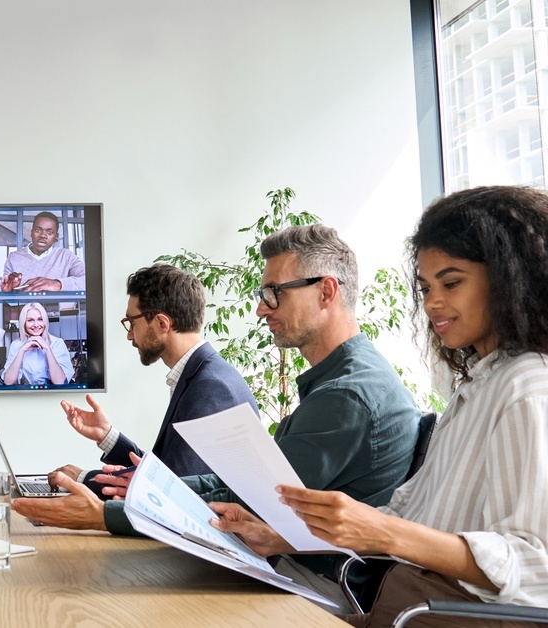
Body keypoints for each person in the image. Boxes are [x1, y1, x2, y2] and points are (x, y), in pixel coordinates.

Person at [212, 186, 548, 626]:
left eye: (451, 283)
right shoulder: (477, 386)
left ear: (509, 279)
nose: (432, 303)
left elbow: (534, 564)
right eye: (426, 287)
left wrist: (383, 531)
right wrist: (282, 539)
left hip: (447, 615)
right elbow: (405, 515)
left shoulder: (526, 387)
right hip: (406, 603)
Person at [14, 225, 420, 584]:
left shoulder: (346, 395)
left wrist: (107, 511)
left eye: (273, 294)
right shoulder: (339, 383)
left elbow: (251, 501)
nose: (261, 308)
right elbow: (241, 486)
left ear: (327, 291)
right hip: (291, 565)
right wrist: (135, 486)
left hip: (310, 580)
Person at [49, 264, 257, 490]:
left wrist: (81, 478)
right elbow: (166, 472)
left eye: (132, 323)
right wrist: (107, 435)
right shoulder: (202, 374)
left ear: (161, 323)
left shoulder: (210, 387)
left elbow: (172, 493)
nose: (130, 335)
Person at [0, 211, 86, 292]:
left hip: (59, 310)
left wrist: (57, 284)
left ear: (56, 237)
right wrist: (8, 291)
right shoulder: (14, 257)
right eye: (38, 230)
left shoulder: (66, 256)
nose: (43, 235)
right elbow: (3, 289)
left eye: (50, 232)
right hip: (24, 309)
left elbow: (88, 281)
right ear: (31, 233)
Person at [1, 302, 74, 386]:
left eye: (40, 319)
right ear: (23, 323)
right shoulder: (16, 345)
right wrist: (22, 351)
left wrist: (47, 349)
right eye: (30, 320)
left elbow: (60, 382)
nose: (36, 325)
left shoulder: (57, 343)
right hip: (28, 394)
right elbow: (8, 382)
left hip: (52, 395)